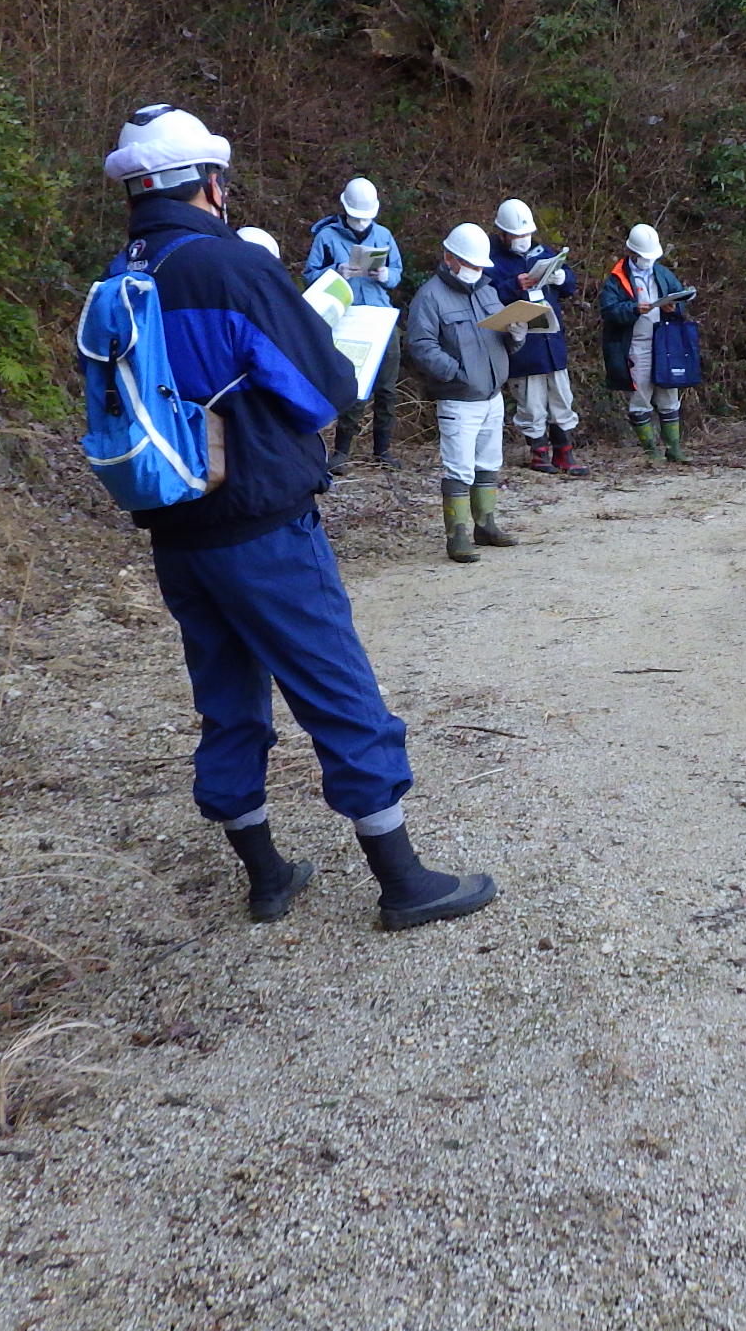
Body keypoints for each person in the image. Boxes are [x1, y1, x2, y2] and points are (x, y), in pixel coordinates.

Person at [97, 105, 494, 929]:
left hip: (177, 531)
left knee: (226, 701)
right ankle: (403, 881)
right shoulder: (230, 268)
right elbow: (324, 389)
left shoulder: (117, 277)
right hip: (260, 524)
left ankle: (268, 876)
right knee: (337, 688)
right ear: (208, 184)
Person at [405, 223, 529, 561]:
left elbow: (500, 338)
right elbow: (420, 344)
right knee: (459, 467)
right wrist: (456, 374)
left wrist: (516, 335)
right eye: (471, 264)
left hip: (492, 395)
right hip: (458, 398)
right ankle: (457, 534)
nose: (477, 271)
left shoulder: (487, 291)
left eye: (479, 265)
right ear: (450, 258)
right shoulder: (430, 296)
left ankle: (486, 524)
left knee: (488, 462)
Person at [305, 178, 404, 473]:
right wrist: (336, 272)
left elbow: (398, 272)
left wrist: (386, 275)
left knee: (387, 388)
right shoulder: (326, 236)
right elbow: (310, 274)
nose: (362, 223)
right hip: (348, 318)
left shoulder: (384, 235)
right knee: (356, 386)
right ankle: (342, 451)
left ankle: (383, 450)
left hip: (381, 318)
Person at [488, 198, 589, 477]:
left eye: (526, 234)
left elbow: (570, 284)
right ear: (502, 234)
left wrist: (560, 278)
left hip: (551, 340)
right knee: (530, 402)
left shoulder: (543, 251)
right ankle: (538, 451)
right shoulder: (491, 260)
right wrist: (513, 286)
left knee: (561, 397)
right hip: (522, 341)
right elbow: (487, 296)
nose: (523, 240)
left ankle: (564, 451)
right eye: (517, 235)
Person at [600, 223, 693, 463]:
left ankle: (674, 448)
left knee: (669, 392)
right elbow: (609, 310)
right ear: (632, 253)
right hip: (636, 344)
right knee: (640, 395)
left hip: (664, 342)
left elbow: (679, 295)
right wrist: (633, 309)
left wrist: (675, 307)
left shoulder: (661, 273)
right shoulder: (617, 279)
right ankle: (651, 451)